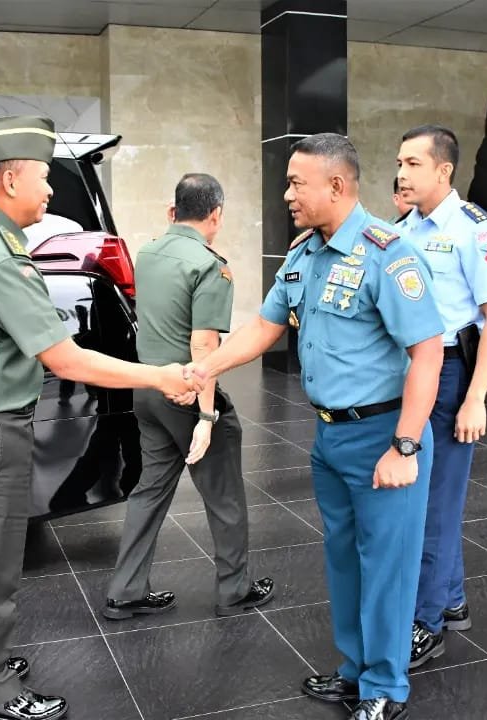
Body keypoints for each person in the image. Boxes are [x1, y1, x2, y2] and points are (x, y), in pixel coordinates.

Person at [0, 115, 194, 720]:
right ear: (10, 180)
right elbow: (64, 358)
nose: (49, 190)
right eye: (44, 177)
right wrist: (159, 375)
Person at [190, 133, 444, 720]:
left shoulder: (389, 254)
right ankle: (355, 670)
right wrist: (206, 368)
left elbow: (428, 354)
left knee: (387, 567)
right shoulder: (305, 254)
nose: (287, 195)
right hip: (330, 437)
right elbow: (265, 326)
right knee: (345, 559)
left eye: (295, 183)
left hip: (384, 434)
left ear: (336, 184)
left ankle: (385, 688)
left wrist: (405, 445)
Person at [103, 173, 274, 621]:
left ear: (172, 210)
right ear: (216, 214)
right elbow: (204, 346)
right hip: (185, 394)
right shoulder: (210, 265)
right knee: (224, 495)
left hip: (148, 389)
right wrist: (207, 416)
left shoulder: (148, 252)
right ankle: (235, 589)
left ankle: (125, 591)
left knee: (149, 491)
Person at [395, 124, 487, 669]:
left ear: (444, 170)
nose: (402, 173)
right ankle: (453, 599)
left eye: (413, 164)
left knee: (434, 506)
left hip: (449, 373)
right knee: (429, 498)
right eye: (400, 163)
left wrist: (477, 398)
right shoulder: (403, 227)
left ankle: (426, 623)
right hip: (409, 372)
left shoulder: (477, 230)